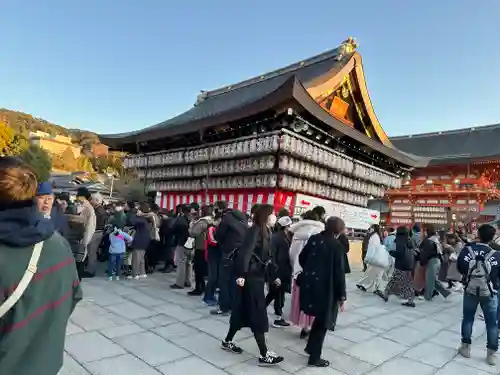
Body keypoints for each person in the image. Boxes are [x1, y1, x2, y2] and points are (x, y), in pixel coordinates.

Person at [0, 156, 82, 375]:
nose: (46, 202)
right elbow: (73, 295)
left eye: (50, 197)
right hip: (46, 363)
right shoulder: (59, 244)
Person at [220, 204, 284, 366]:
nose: (274, 216)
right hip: (250, 279)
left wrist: (273, 277)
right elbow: (245, 253)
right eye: (272, 214)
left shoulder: (267, 231)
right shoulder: (255, 230)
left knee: (242, 311)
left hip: (258, 277)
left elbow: (267, 259)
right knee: (257, 313)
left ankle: (227, 341)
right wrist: (241, 275)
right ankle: (264, 354)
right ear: (265, 216)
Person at [299, 217, 346, 367]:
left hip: (310, 285)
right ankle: (314, 357)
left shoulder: (314, 239)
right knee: (323, 322)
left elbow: (302, 257)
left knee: (318, 320)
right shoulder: (337, 246)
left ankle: (310, 348)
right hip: (326, 288)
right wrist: (342, 296)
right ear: (338, 229)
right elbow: (339, 274)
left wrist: (310, 271)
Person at [457, 224, 500, 366]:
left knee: (468, 318)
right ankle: (491, 354)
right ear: (492, 237)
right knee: (491, 323)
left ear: (478, 235)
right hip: (490, 292)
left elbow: (460, 268)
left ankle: (466, 347)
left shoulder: (466, 250)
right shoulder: (496, 255)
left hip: (470, 290)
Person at [289, 210, 325, 338]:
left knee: (300, 298)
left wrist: (295, 267)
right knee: (313, 299)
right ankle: (310, 325)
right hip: (313, 273)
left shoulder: (296, 233)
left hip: (298, 272)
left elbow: (292, 254)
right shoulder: (320, 233)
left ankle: (303, 326)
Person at [211, 201, 248, 316]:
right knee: (235, 280)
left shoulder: (226, 218)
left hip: (229, 252)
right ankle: (234, 306)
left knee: (224, 281)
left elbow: (218, 235)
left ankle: (224, 307)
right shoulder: (242, 217)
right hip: (241, 252)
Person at [265, 216, 292, 328]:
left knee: (272, 294)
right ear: (285, 227)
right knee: (279, 295)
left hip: (277, 271)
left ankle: (256, 310)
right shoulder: (281, 239)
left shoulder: (278, 237)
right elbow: (278, 258)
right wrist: (277, 275)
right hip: (279, 271)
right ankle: (277, 318)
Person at [380, 226, 416, 307]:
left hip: (401, 264)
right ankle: (410, 300)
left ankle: (386, 295)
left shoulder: (400, 240)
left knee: (394, 280)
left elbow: (399, 254)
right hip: (409, 264)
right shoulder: (410, 239)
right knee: (408, 282)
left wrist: (391, 252)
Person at [419, 224, 451, 300]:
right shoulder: (436, 239)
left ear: (427, 231)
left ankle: (428, 296)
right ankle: (445, 292)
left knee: (429, 279)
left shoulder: (429, 240)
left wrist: (422, 262)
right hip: (437, 261)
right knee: (433, 279)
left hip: (432, 261)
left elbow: (425, 253)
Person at [188, 205, 213, 295]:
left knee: (198, 269)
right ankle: (203, 286)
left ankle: (199, 288)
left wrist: (191, 224)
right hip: (208, 247)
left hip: (200, 247)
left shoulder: (202, 221)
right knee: (204, 269)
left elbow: (193, 233)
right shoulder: (212, 219)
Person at [356, 224, 387, 297]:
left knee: (372, 273)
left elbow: (372, 249)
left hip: (375, 259)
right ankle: (374, 287)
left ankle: (369, 286)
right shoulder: (378, 236)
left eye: (371, 228)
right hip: (379, 258)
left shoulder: (374, 237)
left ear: (373, 229)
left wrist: (368, 258)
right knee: (375, 274)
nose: (370, 229)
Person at [75, 187, 96, 278]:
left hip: (83, 238)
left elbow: (89, 226)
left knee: (79, 261)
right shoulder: (86, 207)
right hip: (82, 237)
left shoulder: (87, 208)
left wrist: (85, 241)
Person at [128, 202, 152, 279]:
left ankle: (134, 274)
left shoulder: (141, 219)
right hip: (145, 239)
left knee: (136, 258)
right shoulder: (148, 218)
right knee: (141, 258)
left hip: (139, 239)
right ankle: (142, 272)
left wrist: (136, 214)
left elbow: (132, 221)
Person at [171, 204, 192, 289]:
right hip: (191, 243)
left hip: (182, 243)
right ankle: (188, 281)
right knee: (189, 263)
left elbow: (172, 230)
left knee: (181, 263)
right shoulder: (193, 219)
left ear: (182, 211)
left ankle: (180, 283)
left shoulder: (180, 220)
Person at [203, 212, 221, 306]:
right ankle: (207, 296)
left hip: (217, 256)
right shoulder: (211, 228)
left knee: (216, 277)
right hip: (211, 255)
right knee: (213, 277)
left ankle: (211, 294)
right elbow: (212, 241)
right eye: (219, 220)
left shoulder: (219, 229)